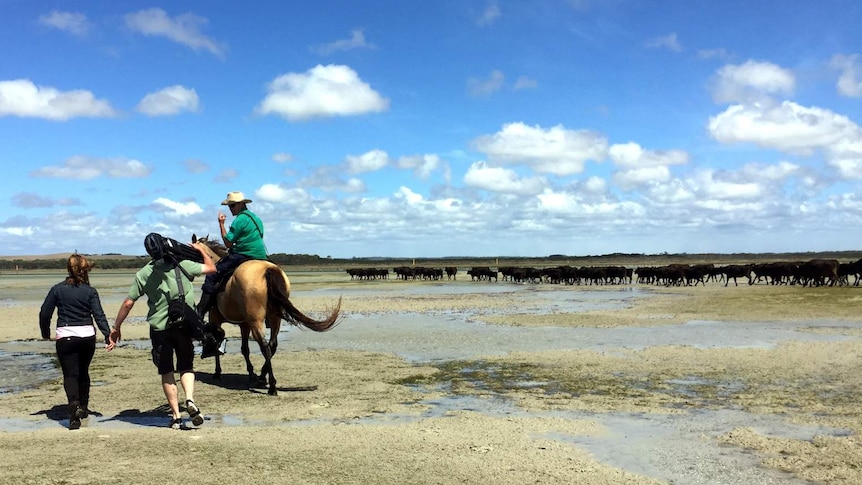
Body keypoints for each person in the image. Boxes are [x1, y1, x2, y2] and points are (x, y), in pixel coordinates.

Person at [108, 234, 216, 429]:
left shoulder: (143, 274)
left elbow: (128, 302)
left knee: (166, 371)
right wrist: (200, 250)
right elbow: (211, 268)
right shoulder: (183, 264)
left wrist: (116, 327)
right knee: (186, 366)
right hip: (184, 325)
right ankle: (190, 400)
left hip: (160, 328)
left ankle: (175, 416)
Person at [39, 254, 112, 430]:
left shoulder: (58, 289)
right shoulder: (90, 291)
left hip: (66, 336)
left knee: (70, 374)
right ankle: (83, 407)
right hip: (87, 336)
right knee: (83, 372)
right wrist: (108, 335)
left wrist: (45, 332)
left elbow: (44, 313)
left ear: (68, 269)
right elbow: (99, 315)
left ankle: (74, 408)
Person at [196, 191, 268, 321]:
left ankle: (200, 312)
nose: (230, 208)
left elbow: (228, 243)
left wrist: (221, 224)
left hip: (243, 254)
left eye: (233, 205)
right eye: (229, 206)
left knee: (212, 275)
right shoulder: (256, 218)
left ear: (241, 204)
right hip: (261, 256)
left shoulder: (239, 220)